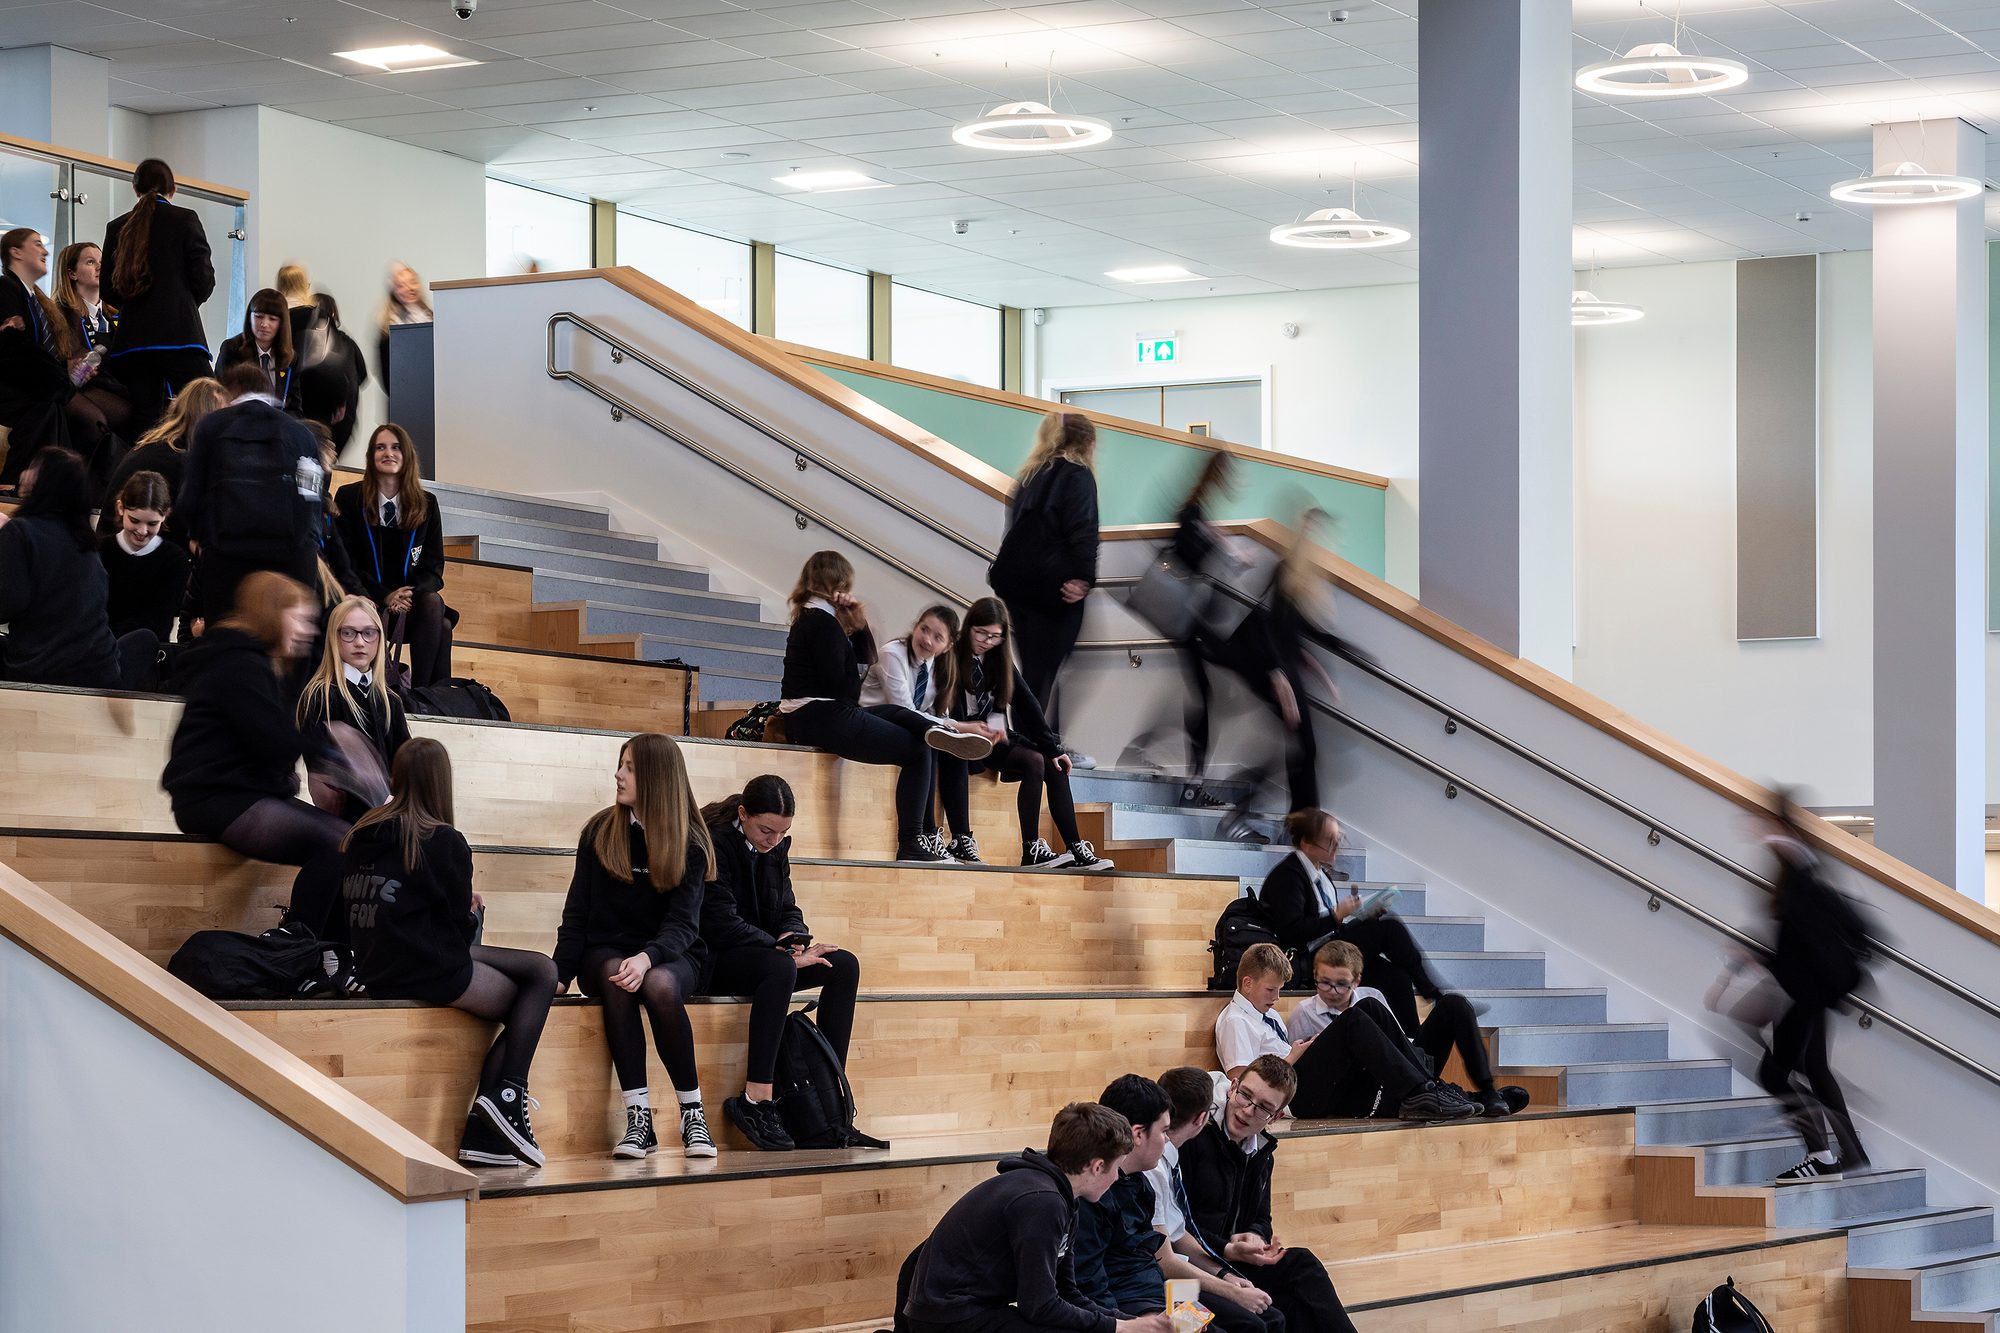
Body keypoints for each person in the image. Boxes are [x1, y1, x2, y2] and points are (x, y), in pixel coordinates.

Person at [335, 737, 557, 1168]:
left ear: (395, 778)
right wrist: (472, 913)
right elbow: (457, 934)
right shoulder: (443, 840)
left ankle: (489, 1132)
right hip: (429, 967)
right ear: (442, 783)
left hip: (376, 964)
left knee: (536, 975)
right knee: (541, 977)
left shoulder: (362, 834)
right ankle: (503, 1100)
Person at [552, 732, 719, 1160]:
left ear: (657, 778)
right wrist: (560, 972)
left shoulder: (691, 843)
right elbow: (577, 912)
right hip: (605, 950)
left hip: (671, 953)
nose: (618, 774)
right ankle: (638, 1118)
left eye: (629, 768)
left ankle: (692, 1112)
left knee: (659, 985)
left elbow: (683, 925)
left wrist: (648, 958)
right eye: (620, 764)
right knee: (616, 978)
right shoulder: (599, 832)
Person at [696, 775, 863, 1151]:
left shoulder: (774, 848)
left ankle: (829, 1095)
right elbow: (718, 923)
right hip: (714, 959)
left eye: (782, 832)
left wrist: (793, 936)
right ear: (743, 813)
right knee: (782, 968)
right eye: (766, 830)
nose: (773, 840)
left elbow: (787, 905)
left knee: (844, 965)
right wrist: (782, 951)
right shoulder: (713, 843)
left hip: (765, 954)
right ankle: (757, 1099)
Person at [903, 1101, 1169, 1333]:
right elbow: (1039, 1306)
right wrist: (1119, 1328)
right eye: (1117, 1168)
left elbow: (1067, 1292)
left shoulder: (1063, 1197)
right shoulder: (1042, 1202)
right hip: (950, 1318)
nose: (1116, 1177)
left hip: (974, 1310)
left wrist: (1132, 1322)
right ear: (1097, 1166)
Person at [777, 550, 968, 863]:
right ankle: (911, 842)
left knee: (900, 715)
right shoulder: (821, 622)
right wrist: (851, 629)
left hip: (820, 713)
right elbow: (848, 686)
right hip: (818, 714)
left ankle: (938, 729)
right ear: (837, 584)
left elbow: (865, 659)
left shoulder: (817, 618)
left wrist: (858, 625)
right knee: (918, 751)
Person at [161, 570, 350, 866]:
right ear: (272, 616)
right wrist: (330, 743)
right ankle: (303, 915)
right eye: (300, 620)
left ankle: (306, 914)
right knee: (339, 844)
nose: (308, 631)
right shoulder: (241, 664)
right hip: (216, 800)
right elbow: (275, 744)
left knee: (348, 840)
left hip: (235, 795)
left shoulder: (253, 661)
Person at [1074, 1074, 1277, 1333]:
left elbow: (1153, 1261)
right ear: (1138, 1134)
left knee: (1251, 1323)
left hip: (1160, 1295)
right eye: (1163, 1131)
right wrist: (1139, 1322)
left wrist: (1213, 1289)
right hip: (1138, 1307)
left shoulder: (1138, 1183)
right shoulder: (1095, 1195)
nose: (1168, 1140)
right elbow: (1097, 1284)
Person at [1175, 1057, 1360, 1333]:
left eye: (1263, 1108)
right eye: (1245, 1096)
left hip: (1233, 1261)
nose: (1248, 1110)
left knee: (1300, 1274)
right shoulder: (1194, 1138)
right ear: (1232, 1087)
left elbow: (1262, 1217)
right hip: (1195, 1267)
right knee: (1278, 1310)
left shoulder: (1261, 1153)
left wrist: (1255, 1236)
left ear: (1275, 1117)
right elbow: (1177, 1226)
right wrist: (1227, 1248)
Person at [937, 597, 1111, 871]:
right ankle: (961, 839)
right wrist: (969, 728)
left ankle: (1065, 848)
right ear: (969, 626)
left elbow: (1029, 706)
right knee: (975, 753)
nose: (986, 641)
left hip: (993, 736)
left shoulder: (999, 658)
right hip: (959, 732)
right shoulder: (951, 653)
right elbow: (943, 708)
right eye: (981, 633)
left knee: (1049, 763)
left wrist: (1053, 748)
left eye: (994, 636)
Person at [1213, 943, 1474, 1122]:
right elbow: (1242, 1083)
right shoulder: (1235, 1021)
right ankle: (1422, 1092)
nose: (1277, 997)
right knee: (1354, 1021)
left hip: (1301, 1078)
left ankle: (1431, 1088)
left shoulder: (1265, 1013)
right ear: (1247, 983)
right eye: (1271, 990)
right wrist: (1292, 1057)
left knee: (1370, 1006)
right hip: (1291, 1098)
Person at [1757, 793, 1871, 1182]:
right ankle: (1848, 1153)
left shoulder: (1800, 877)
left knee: (1774, 1074)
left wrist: (1758, 959)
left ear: (1783, 829)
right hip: (1811, 994)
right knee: (1815, 1069)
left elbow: (1801, 945)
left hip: (1804, 995)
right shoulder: (1800, 872)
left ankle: (1825, 1155)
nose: (1762, 835)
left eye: (1767, 827)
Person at [1212, 511, 1343, 839]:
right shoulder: (1286, 570)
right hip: (1274, 671)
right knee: (1303, 751)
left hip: (1284, 670)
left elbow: (1296, 631)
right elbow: (1267, 628)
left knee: (1302, 752)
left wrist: (1339, 656)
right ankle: (1253, 811)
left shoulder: (1300, 578)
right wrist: (1279, 678)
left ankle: (1299, 830)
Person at [1256, 808, 1446, 1035]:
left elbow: (1329, 925)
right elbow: (1292, 932)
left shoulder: (1321, 874)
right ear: (1307, 843)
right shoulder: (1287, 876)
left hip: (1333, 943)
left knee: (1397, 978)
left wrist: (1360, 915)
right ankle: (1432, 992)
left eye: (1338, 840)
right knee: (1390, 929)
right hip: (1311, 957)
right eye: (1329, 841)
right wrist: (1337, 915)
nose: (1336, 846)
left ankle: (1413, 1044)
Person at [1289, 941, 1527, 1119]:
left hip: (1388, 1071)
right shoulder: (1304, 1012)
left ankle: (1485, 1093)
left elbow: (1394, 1041)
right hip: (1349, 1085)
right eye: (1324, 983)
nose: (1333, 990)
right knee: (1360, 1015)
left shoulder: (1371, 995)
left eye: (1342, 984)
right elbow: (1301, 1070)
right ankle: (1439, 1094)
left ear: (1356, 981)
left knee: (1452, 1004)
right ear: (1314, 978)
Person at [1120, 451, 1238, 788]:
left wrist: (1217, 543)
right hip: (1186, 615)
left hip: (1190, 615)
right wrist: (1222, 549)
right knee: (1204, 691)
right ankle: (1190, 766)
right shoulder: (1193, 511)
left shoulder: (1198, 510)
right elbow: (1188, 555)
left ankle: (1177, 757)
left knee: (1204, 690)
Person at [987, 410, 1100, 763]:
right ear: (1087, 442)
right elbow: (1083, 529)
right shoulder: (1077, 476)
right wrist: (1084, 578)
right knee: (1043, 671)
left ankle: (1035, 741)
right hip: (1056, 591)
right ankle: (1040, 746)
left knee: (1032, 669)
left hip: (1018, 589)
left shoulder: (1029, 476)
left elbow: (1015, 531)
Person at [1142, 1067, 1286, 1333]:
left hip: (1166, 1282)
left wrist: (1226, 1275)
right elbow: (1166, 1261)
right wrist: (1231, 1291)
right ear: (1201, 1119)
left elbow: (1178, 1235)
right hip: (1145, 1290)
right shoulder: (1152, 1168)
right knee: (1237, 1326)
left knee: (1268, 1319)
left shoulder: (1166, 1161)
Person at [177, 361, 324, 620]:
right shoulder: (302, 434)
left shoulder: (211, 426)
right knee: (284, 650)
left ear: (226, 392)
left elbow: (190, 495)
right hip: (290, 562)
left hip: (227, 558)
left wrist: (198, 536)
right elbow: (312, 500)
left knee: (226, 645)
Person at [0, 448, 154, 688]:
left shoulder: (20, 532)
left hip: (38, 671)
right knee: (146, 640)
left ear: (46, 482)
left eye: (33, 468)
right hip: (99, 671)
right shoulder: (86, 541)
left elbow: (6, 604)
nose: (24, 473)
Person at [859, 603, 992, 856]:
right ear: (916, 625)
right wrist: (961, 725)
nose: (927, 640)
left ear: (949, 646)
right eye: (924, 629)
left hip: (907, 726)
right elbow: (904, 709)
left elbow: (935, 715)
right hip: (872, 719)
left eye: (937, 637)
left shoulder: (935, 667)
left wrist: (959, 729)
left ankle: (960, 837)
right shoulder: (892, 654)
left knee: (951, 746)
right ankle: (927, 833)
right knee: (928, 740)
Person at [0, 228, 122, 493]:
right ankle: (26, 483)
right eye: (36, 244)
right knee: (67, 412)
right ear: (16, 252)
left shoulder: (34, 299)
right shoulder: (7, 289)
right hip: (20, 385)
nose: (44, 250)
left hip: (42, 382)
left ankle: (52, 486)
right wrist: (62, 377)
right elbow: (17, 349)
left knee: (53, 409)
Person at [101, 158, 216, 432]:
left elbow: (108, 289)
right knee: (205, 411)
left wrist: (137, 306)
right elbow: (204, 278)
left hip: (132, 343)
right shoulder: (185, 219)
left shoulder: (116, 227)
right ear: (172, 189)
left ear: (135, 189)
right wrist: (184, 303)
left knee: (144, 423)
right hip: (181, 337)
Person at [332, 423, 450, 687]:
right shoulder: (350, 497)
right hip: (365, 598)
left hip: (409, 604)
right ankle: (419, 695)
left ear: (406, 454)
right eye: (380, 447)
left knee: (435, 607)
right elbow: (345, 562)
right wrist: (384, 595)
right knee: (440, 624)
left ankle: (424, 696)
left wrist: (406, 595)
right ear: (371, 457)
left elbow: (433, 567)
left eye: (396, 447)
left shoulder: (427, 503)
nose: (389, 453)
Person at [297, 595, 411, 819]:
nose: (360, 642)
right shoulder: (320, 694)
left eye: (369, 633)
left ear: (379, 638)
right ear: (334, 638)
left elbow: (403, 760)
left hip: (390, 814)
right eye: (349, 633)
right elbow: (324, 775)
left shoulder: (390, 700)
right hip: (345, 819)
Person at [96, 375, 227, 542]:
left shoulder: (159, 446)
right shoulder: (177, 460)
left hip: (115, 542)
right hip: (127, 549)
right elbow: (189, 525)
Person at [50, 239, 135, 484]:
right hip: (77, 389)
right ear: (72, 273)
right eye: (90, 262)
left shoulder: (117, 315)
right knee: (95, 420)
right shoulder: (59, 313)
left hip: (114, 386)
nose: (99, 267)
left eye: (101, 262)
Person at [99, 469, 190, 644]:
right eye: (134, 520)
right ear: (120, 508)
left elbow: (158, 623)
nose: (142, 531)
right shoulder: (100, 551)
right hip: (98, 653)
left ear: (165, 515)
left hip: (146, 654)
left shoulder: (174, 560)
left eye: (152, 523)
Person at [297, 293, 368, 448]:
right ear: (334, 313)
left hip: (306, 412)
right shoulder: (346, 343)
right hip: (339, 419)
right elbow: (362, 375)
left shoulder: (300, 339)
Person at [216, 287, 303, 413]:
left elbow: (295, 408)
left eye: (272, 319)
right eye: (259, 316)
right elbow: (220, 395)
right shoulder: (231, 349)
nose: (264, 324)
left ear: (282, 323)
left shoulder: (291, 358)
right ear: (249, 317)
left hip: (277, 426)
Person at [376, 261, 432, 389]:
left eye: (412, 282)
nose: (409, 288)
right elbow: (385, 373)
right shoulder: (387, 327)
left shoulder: (431, 317)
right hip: (401, 396)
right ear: (394, 291)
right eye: (401, 285)